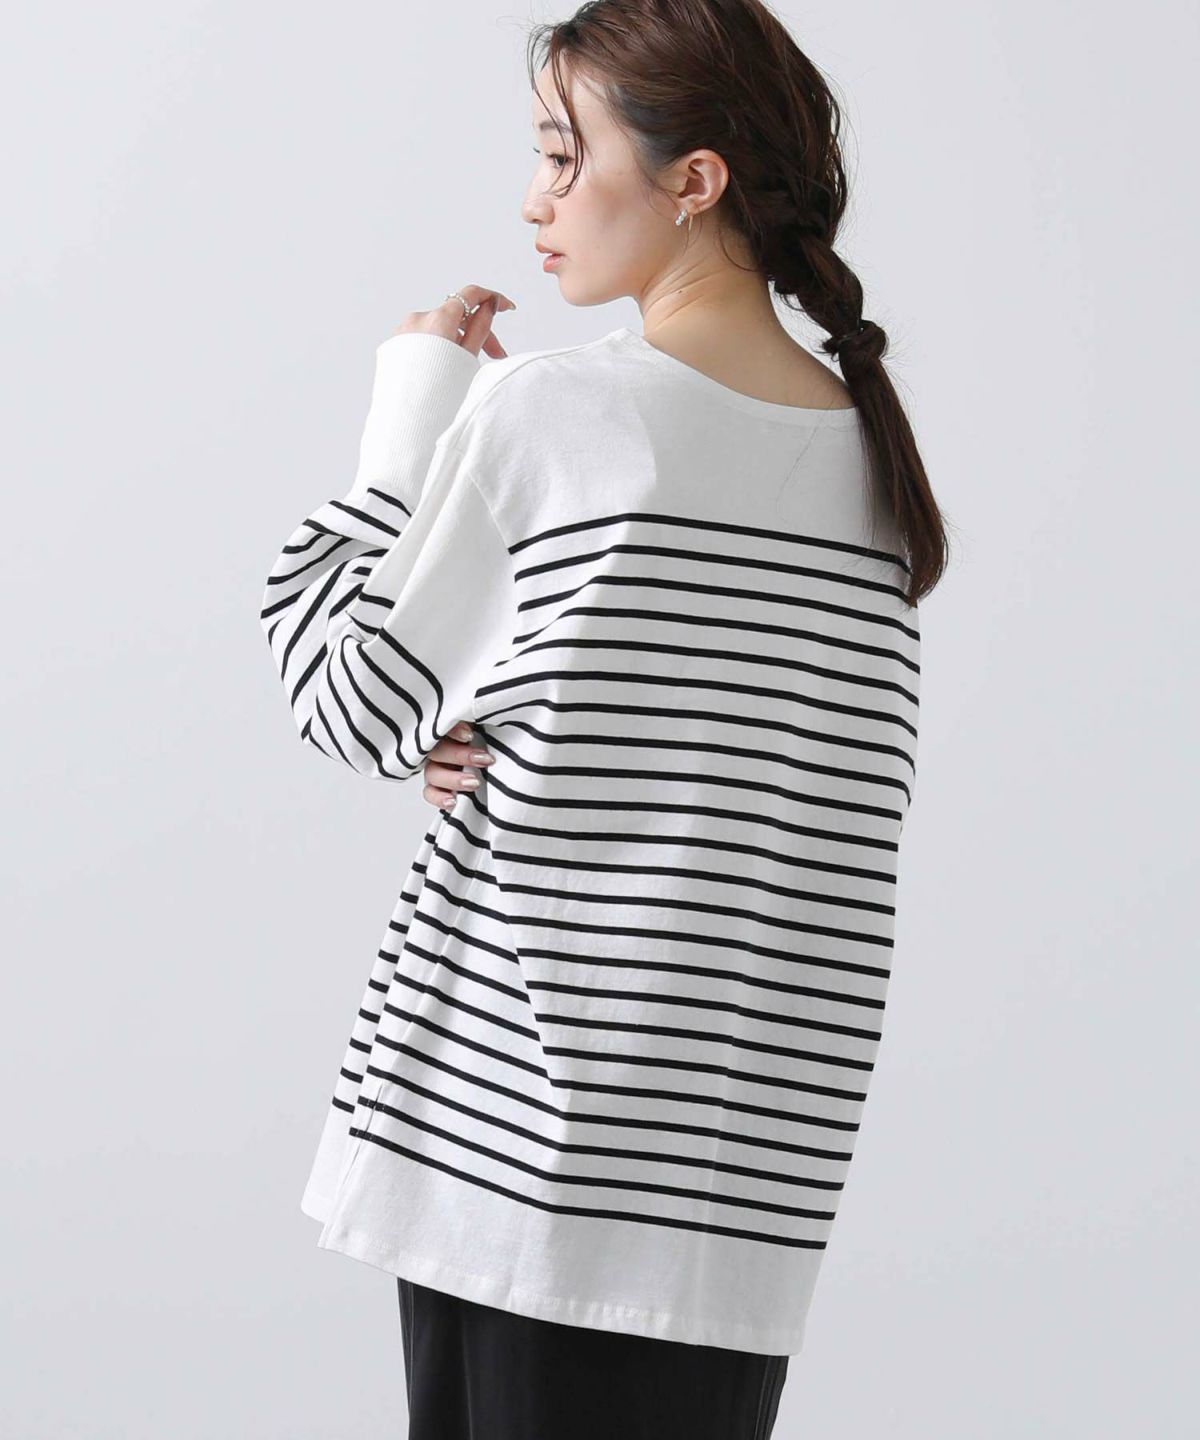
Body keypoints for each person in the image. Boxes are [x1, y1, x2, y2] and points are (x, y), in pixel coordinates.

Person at [258, 2, 949, 1435]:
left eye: (564, 157)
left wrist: (414, 413)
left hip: (516, 1160)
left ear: (695, 179)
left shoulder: (561, 417)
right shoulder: (873, 470)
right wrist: (490, 728)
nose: (535, 201)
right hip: (735, 1199)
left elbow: (341, 693)